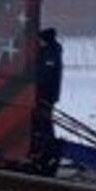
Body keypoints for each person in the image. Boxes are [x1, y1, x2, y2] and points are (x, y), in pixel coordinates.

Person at [31, 28, 63, 168]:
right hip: (43, 93)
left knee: (45, 123)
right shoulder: (48, 51)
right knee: (41, 122)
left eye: (40, 40)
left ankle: (49, 151)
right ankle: (42, 148)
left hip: (46, 94)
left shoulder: (51, 53)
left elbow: (43, 75)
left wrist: (28, 77)